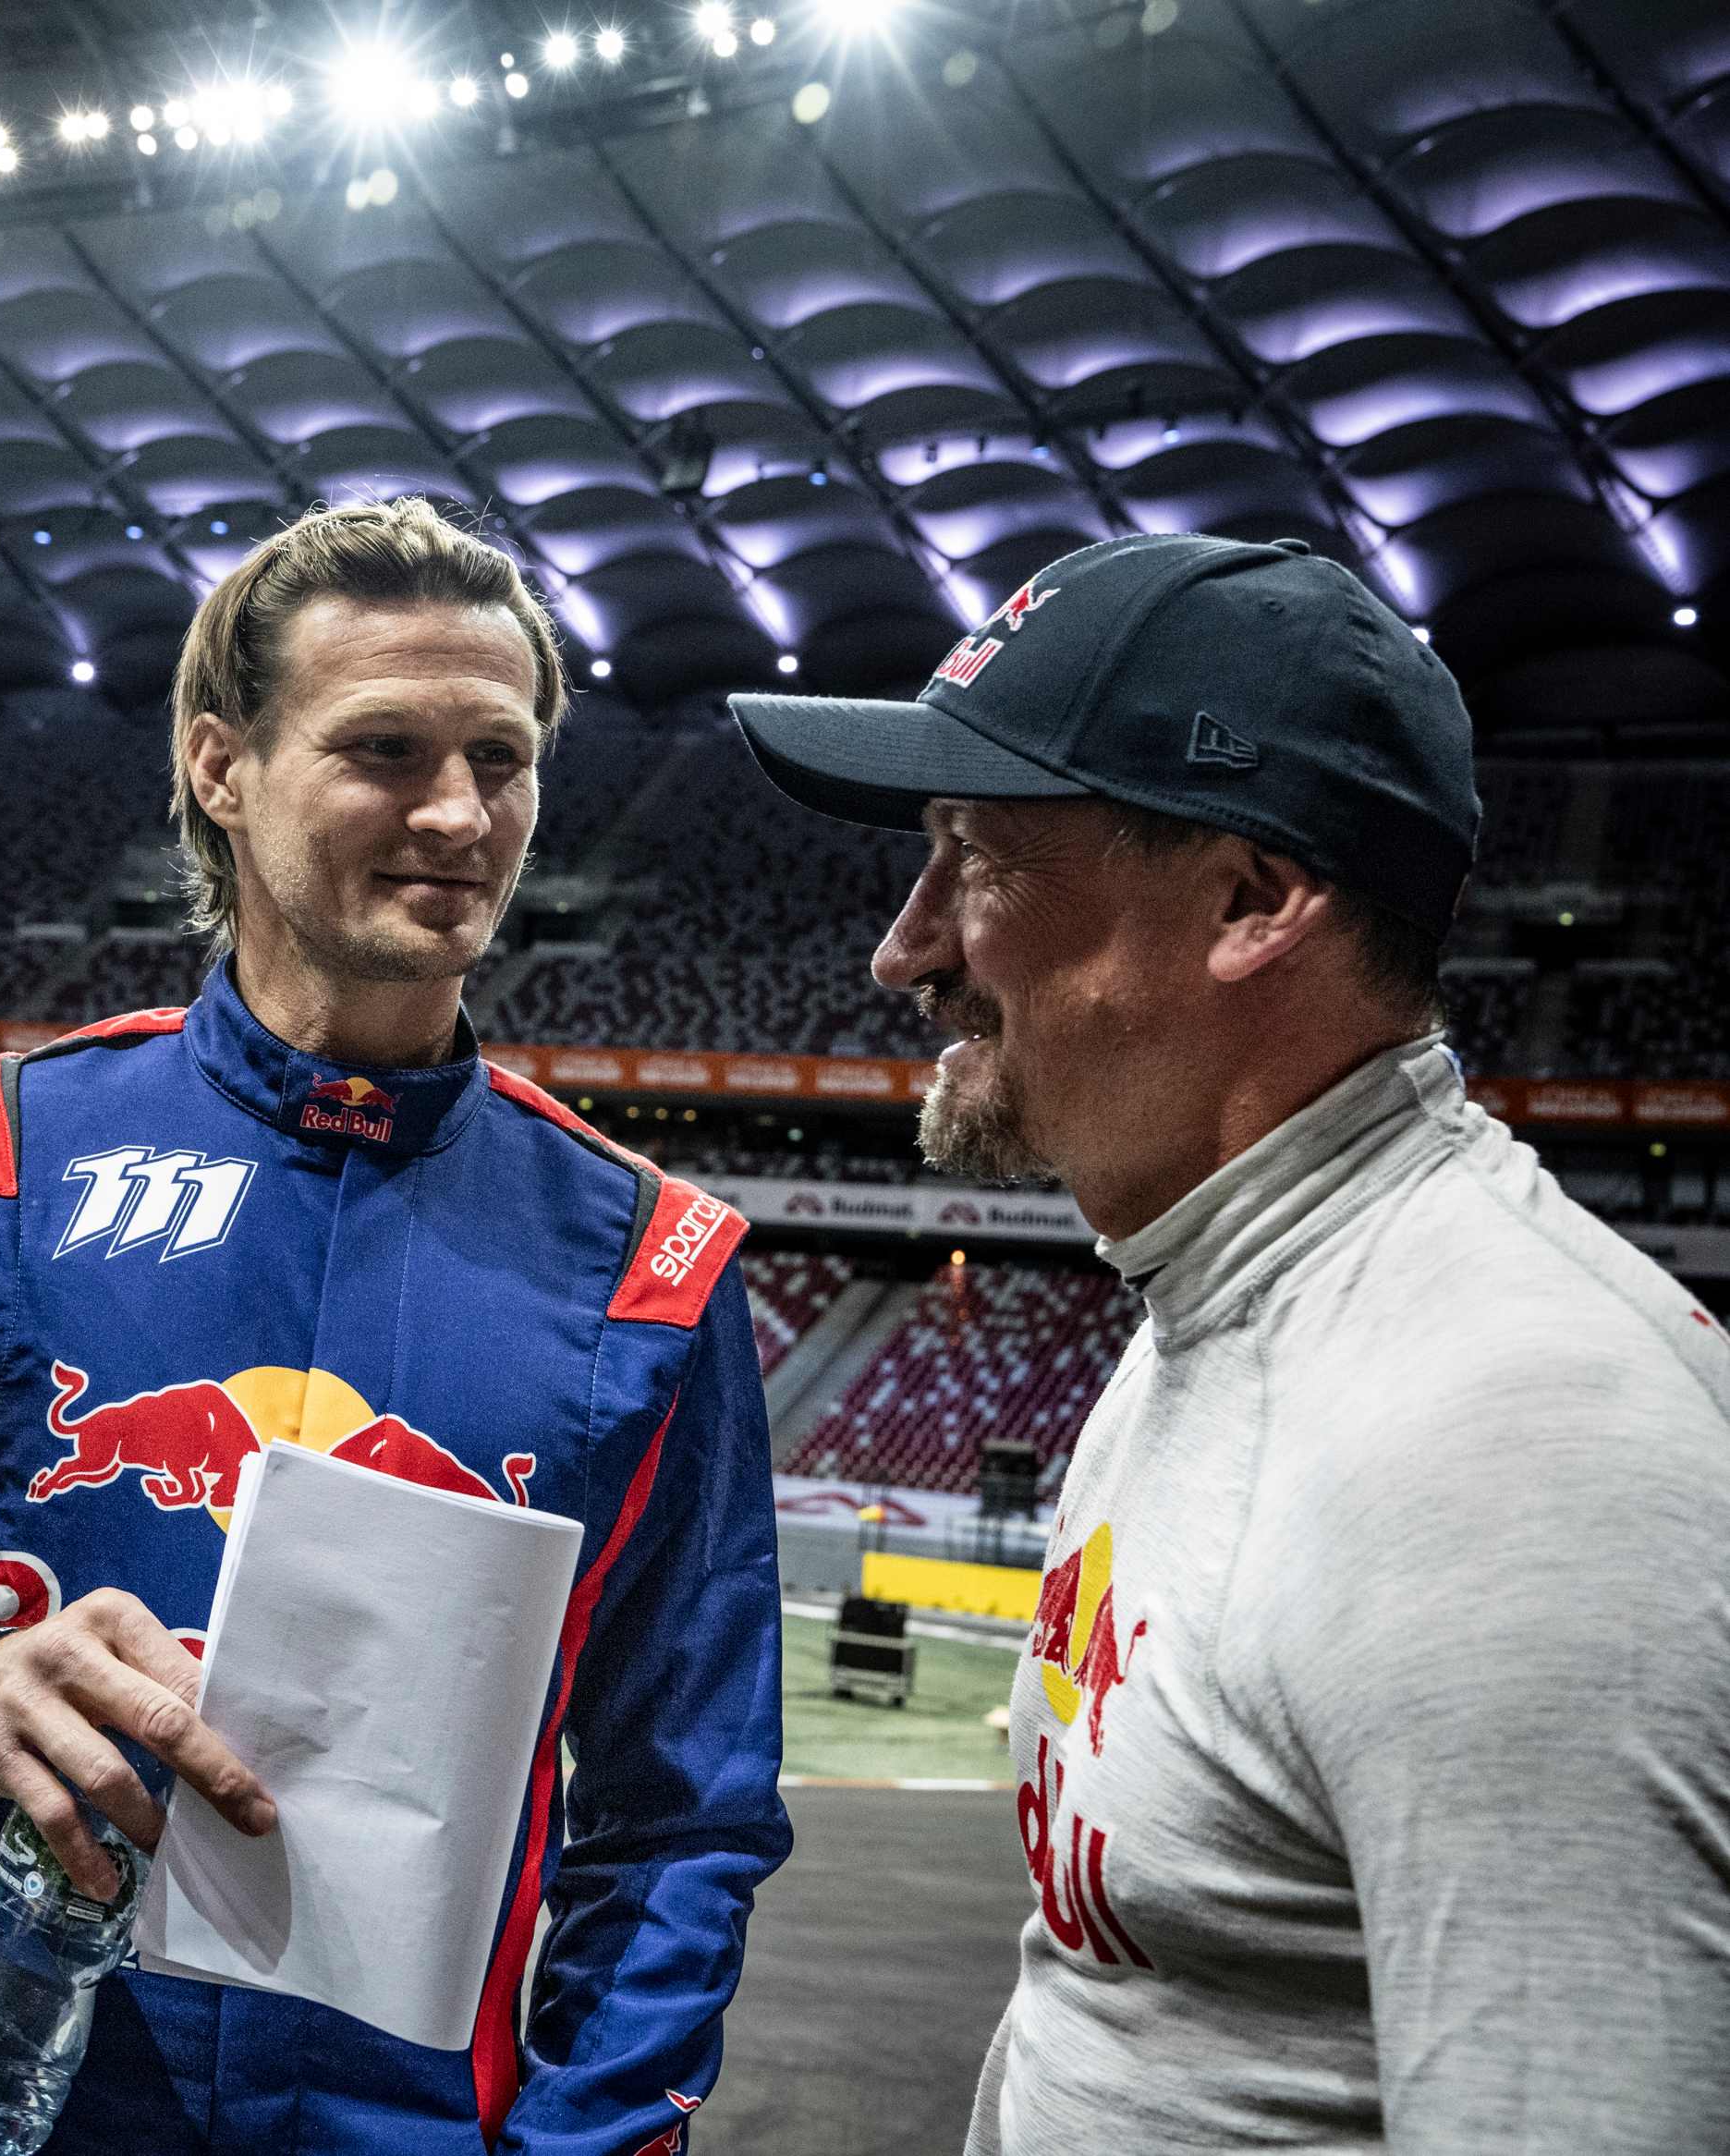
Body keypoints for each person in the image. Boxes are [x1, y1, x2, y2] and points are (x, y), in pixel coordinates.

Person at [0, 497, 791, 2156]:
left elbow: (682, 1822)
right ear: (220, 766)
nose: (460, 814)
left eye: (500, 759)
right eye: (385, 749)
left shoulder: (653, 1266)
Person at [729, 530, 1730, 2150]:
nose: (904, 948)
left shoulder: (1531, 1462)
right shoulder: (1219, 1299)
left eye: (977, 858)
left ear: (1251, 900)